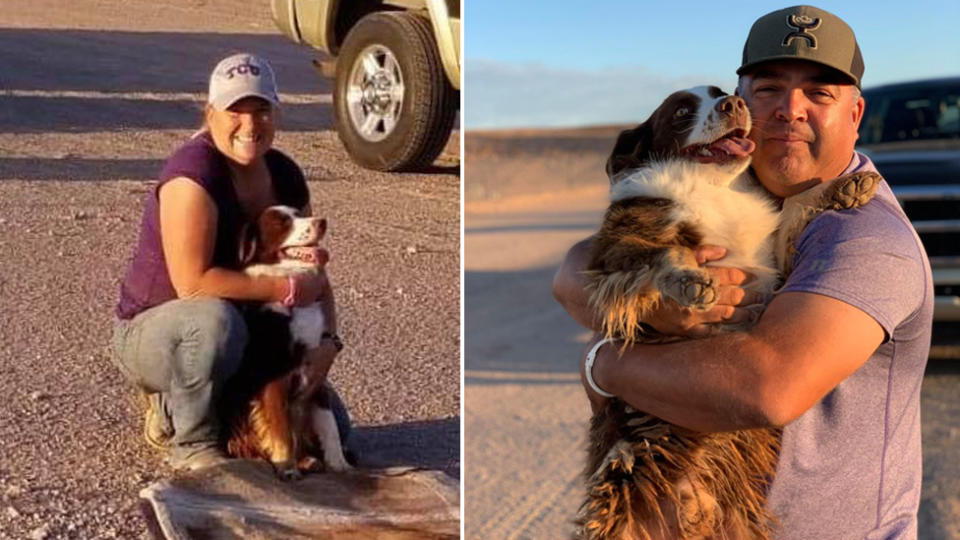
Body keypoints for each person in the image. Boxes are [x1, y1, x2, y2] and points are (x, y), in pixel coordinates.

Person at [553, 6, 933, 539]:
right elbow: (581, 267)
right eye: (768, 88)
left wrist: (604, 366)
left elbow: (767, 388)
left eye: (819, 93)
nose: (789, 110)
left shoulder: (866, 238)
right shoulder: (747, 195)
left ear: (855, 114)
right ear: (744, 104)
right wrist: (626, 286)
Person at [112, 53, 349, 471]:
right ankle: (186, 434)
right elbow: (193, 284)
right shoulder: (193, 175)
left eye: (261, 110)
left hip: (244, 331)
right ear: (210, 114)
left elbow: (315, 272)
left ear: (275, 114)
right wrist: (288, 289)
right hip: (160, 331)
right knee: (216, 323)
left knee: (333, 428)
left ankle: (213, 406)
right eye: (234, 112)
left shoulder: (285, 174)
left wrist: (328, 343)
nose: (250, 125)